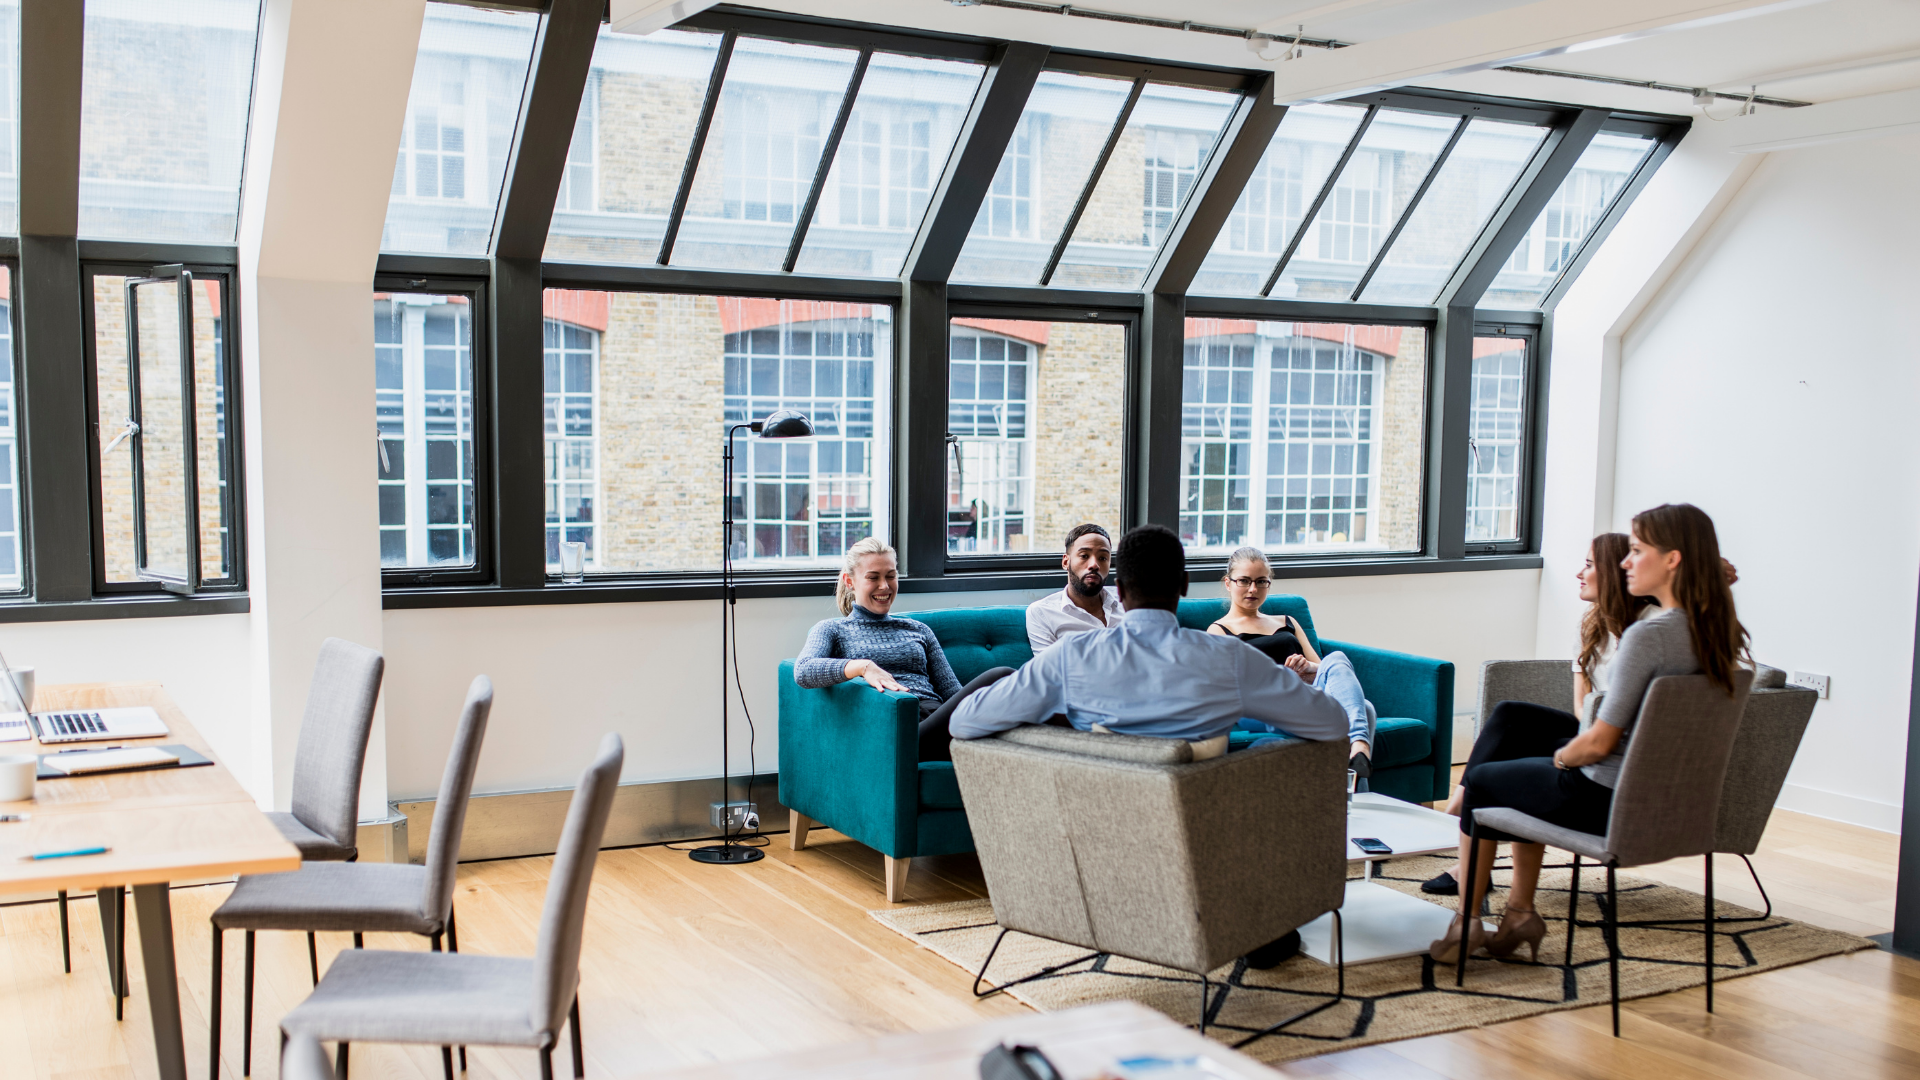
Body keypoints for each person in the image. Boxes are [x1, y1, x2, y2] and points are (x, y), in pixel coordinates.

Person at [1430, 504, 1749, 964]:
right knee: (1518, 770)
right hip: (1660, 806)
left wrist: (1560, 758)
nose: (1625, 562)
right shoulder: (1713, 631)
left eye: (1636, 550)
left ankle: (1468, 924)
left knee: (1485, 783)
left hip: (1602, 800)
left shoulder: (1650, 636)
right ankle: (1517, 915)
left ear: (1673, 560)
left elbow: (1599, 743)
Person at [794, 537, 1013, 763]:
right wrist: (863, 667)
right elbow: (803, 670)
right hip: (897, 729)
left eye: (891, 576)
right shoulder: (833, 630)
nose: (884, 586)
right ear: (849, 581)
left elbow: (953, 694)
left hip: (938, 719)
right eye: (873, 577)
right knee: (1003, 675)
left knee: (1008, 692)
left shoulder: (919, 630)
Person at [1207, 546, 1373, 779]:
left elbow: (1324, 670)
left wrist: (1307, 669)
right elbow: (1227, 689)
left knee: (1336, 658)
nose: (1253, 589)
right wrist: (1279, 679)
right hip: (1267, 703)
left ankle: (1358, 750)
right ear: (1228, 583)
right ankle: (1356, 774)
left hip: (1308, 693)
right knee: (1366, 709)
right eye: (1244, 581)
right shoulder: (1218, 632)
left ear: (1269, 584)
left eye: (1261, 581)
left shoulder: (1288, 621)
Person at [1026, 523, 1125, 653]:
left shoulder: (1129, 602)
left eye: (1102, 558)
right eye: (1084, 556)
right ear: (1066, 562)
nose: (1094, 565)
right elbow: (1050, 670)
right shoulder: (1042, 612)